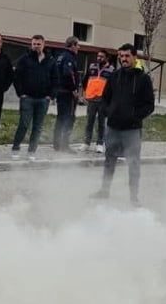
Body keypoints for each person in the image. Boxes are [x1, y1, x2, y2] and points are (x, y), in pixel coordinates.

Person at [93, 44, 156, 205]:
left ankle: (133, 197)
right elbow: (105, 98)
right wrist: (108, 112)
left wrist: (134, 117)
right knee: (109, 160)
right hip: (113, 127)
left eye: (127, 56)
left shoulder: (143, 79)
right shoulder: (114, 76)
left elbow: (149, 105)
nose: (123, 59)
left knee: (133, 163)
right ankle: (104, 190)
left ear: (135, 57)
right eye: (121, 56)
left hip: (132, 130)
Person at [11, 35, 59, 161]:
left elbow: (55, 79)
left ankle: (31, 151)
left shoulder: (50, 60)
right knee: (24, 124)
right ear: (31, 44)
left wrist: (51, 95)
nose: (36, 46)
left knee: (38, 127)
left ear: (43, 45)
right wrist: (21, 93)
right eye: (34, 44)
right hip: (28, 98)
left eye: (39, 44)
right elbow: (17, 77)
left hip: (43, 99)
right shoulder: (24, 59)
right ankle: (16, 148)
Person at [52, 36, 82, 152]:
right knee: (69, 118)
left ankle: (57, 144)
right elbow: (68, 74)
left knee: (60, 118)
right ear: (73, 45)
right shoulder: (69, 58)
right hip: (67, 94)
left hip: (60, 92)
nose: (78, 48)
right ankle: (64, 145)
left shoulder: (60, 56)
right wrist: (74, 89)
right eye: (77, 45)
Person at [82, 50, 115, 153]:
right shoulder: (92, 67)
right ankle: (86, 143)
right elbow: (85, 81)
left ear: (107, 58)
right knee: (89, 122)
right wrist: (84, 94)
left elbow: (113, 87)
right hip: (91, 100)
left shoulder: (112, 70)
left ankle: (100, 144)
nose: (99, 58)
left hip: (103, 101)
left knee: (101, 123)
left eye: (102, 57)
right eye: (98, 56)